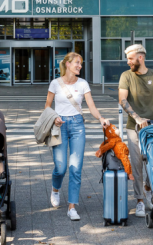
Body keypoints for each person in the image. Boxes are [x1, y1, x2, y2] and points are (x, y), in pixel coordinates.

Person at [44, 52, 110, 221]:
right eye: (77, 63)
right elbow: (47, 106)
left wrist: (100, 118)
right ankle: (55, 188)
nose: (80, 66)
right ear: (67, 64)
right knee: (60, 167)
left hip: (77, 126)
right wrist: (55, 118)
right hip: (59, 126)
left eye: (80, 63)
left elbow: (91, 106)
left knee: (75, 168)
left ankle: (72, 206)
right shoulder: (55, 84)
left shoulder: (82, 84)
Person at [118, 44, 153, 218]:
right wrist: (137, 117)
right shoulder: (126, 76)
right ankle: (140, 201)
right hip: (134, 126)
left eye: (130, 58)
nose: (128, 62)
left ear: (140, 58)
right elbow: (122, 99)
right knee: (137, 164)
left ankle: (150, 193)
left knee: (152, 161)